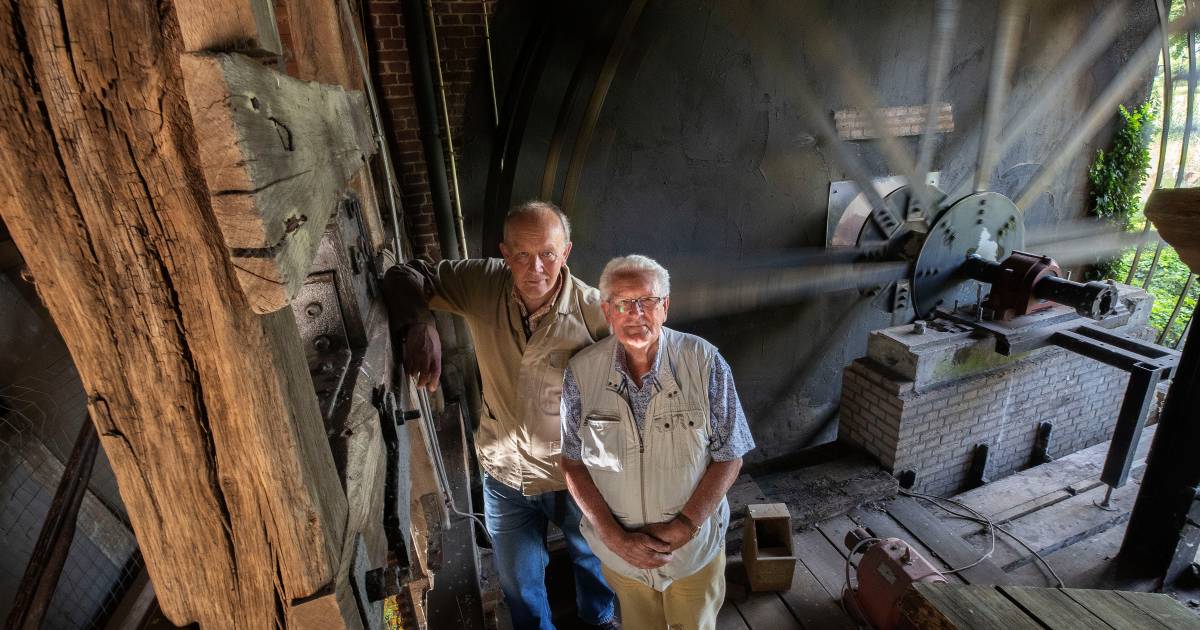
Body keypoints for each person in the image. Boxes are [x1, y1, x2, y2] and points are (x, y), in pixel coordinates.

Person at [382, 201, 617, 630]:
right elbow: (404, 273)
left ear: (566, 253)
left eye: (547, 253)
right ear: (504, 254)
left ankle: (598, 623)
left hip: (576, 476)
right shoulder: (484, 283)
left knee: (595, 563)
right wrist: (420, 323)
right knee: (518, 582)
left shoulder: (596, 315)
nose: (536, 268)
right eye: (522, 255)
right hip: (503, 474)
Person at [560, 254, 755, 630]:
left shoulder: (705, 361)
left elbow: (731, 456)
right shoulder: (581, 374)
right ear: (607, 310)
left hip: (691, 554)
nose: (636, 313)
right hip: (621, 558)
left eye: (647, 301)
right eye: (623, 303)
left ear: (664, 306)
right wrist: (613, 536)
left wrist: (686, 525)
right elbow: (572, 463)